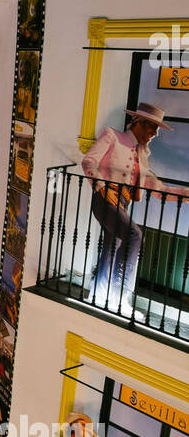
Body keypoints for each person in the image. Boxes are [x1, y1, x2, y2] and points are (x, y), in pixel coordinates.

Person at [81, 103, 180, 314]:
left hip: (123, 204)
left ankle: (98, 295)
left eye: (157, 130)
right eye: (152, 128)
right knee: (134, 235)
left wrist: (185, 195)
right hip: (105, 200)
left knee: (111, 247)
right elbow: (89, 161)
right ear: (139, 124)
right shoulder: (113, 137)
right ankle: (120, 295)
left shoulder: (142, 155)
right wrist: (100, 186)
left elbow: (156, 187)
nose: (154, 134)